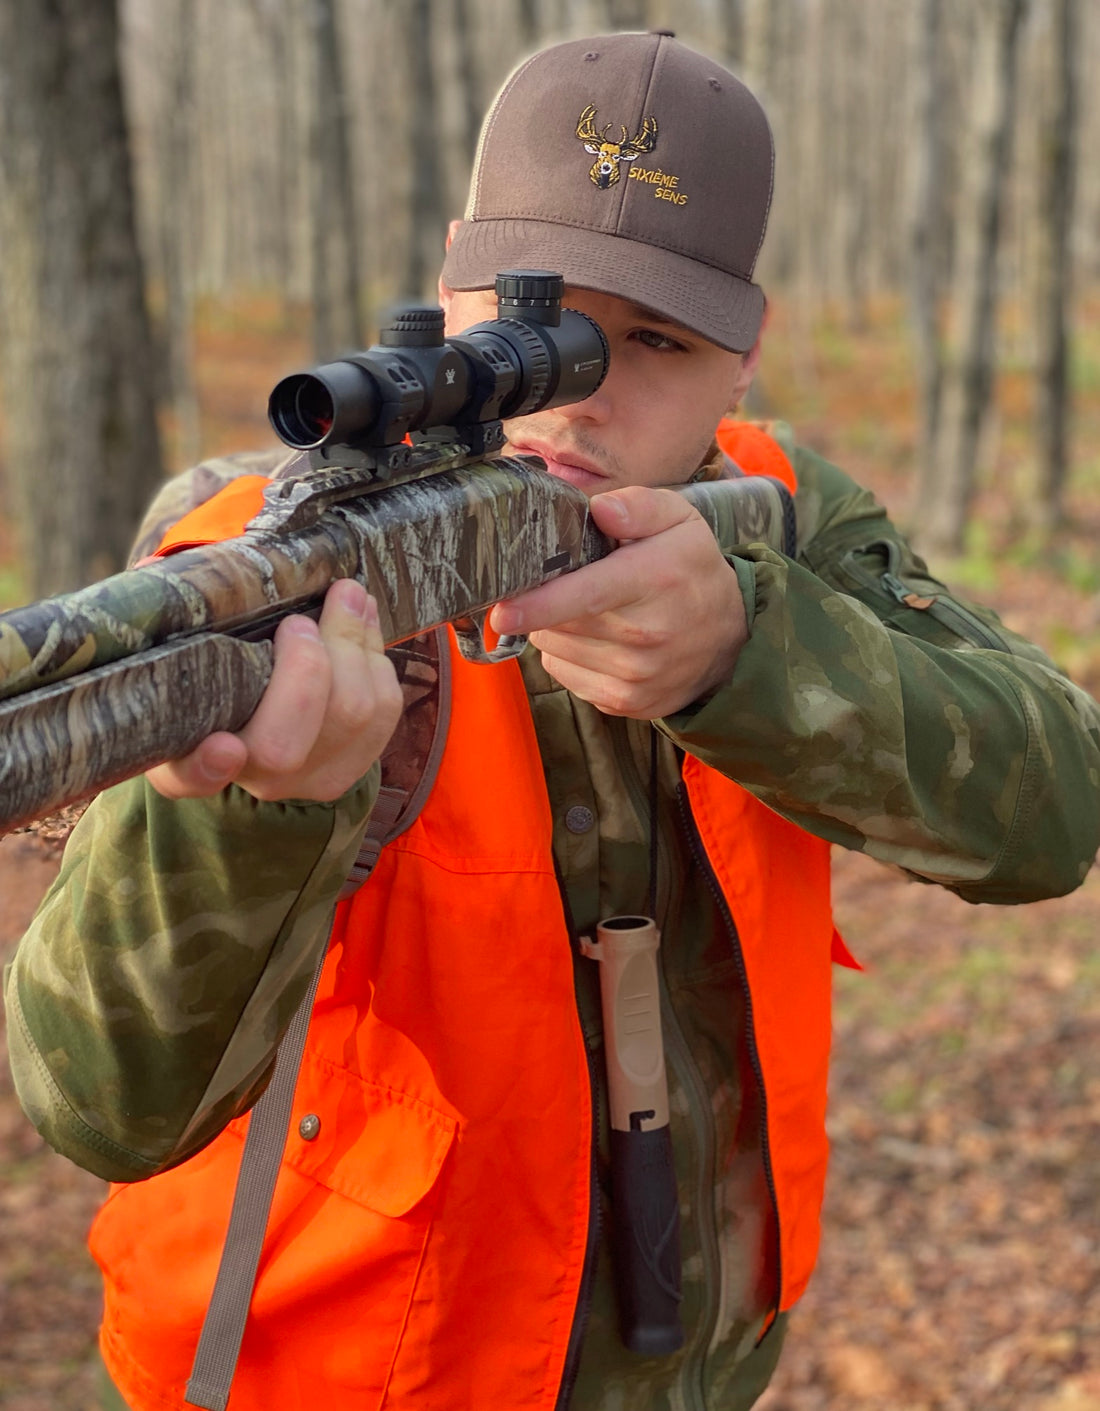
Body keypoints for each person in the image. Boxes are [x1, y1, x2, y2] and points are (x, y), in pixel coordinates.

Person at [6, 29, 1100, 1411]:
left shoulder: (778, 516)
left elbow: (1056, 809)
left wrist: (748, 659)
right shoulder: (250, 567)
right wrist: (254, 816)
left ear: (742, 358)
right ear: (458, 288)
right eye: (543, 326)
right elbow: (101, 1105)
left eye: (653, 340)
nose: (579, 392)